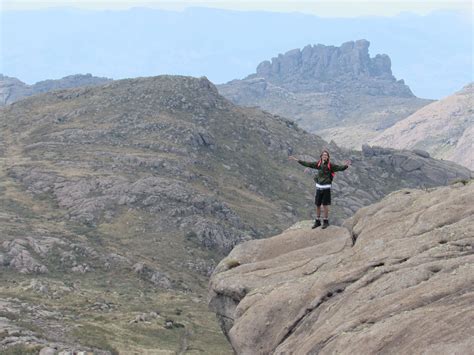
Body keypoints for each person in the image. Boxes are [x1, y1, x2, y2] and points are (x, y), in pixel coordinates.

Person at [289, 150, 351, 229]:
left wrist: (346, 166)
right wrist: (297, 160)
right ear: (321, 156)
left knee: (325, 205)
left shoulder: (330, 165)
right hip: (319, 187)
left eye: (326, 155)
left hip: (326, 188)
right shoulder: (318, 164)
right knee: (318, 205)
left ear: (328, 157)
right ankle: (317, 221)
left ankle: (325, 221)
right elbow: (308, 164)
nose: (325, 156)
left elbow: (339, 168)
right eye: (323, 155)